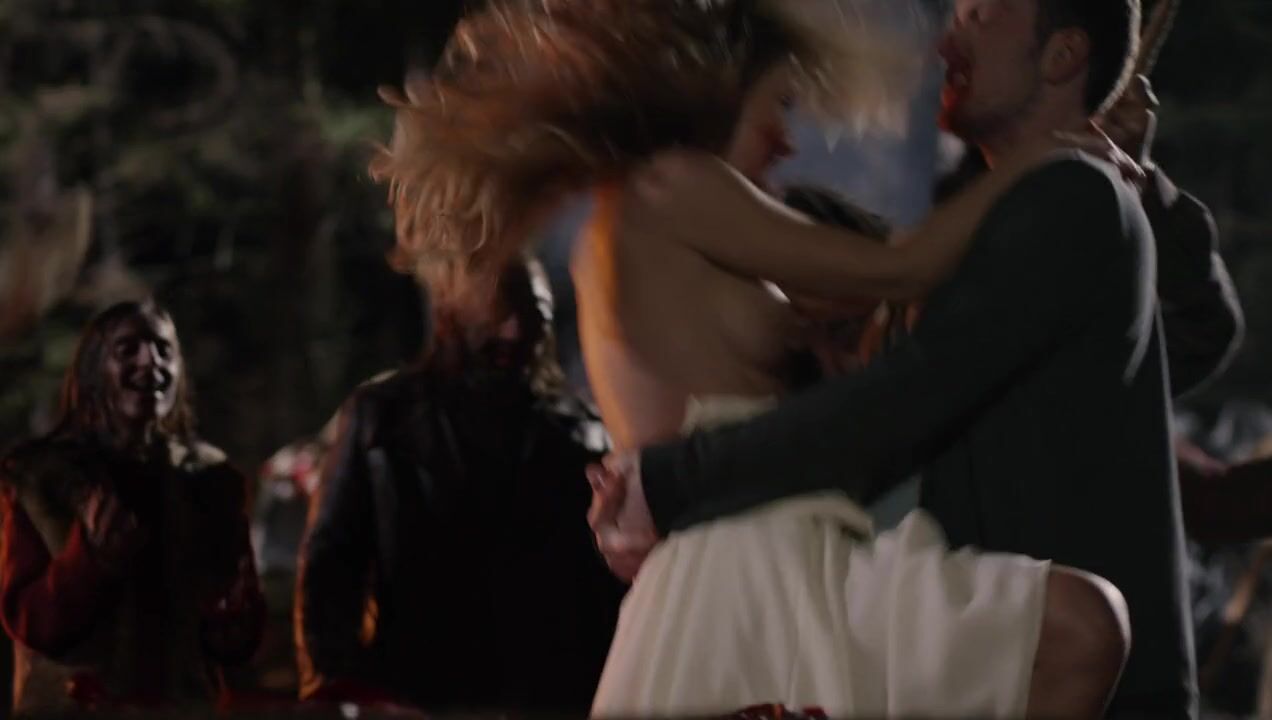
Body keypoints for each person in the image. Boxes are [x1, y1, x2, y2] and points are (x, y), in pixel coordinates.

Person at [370, 0, 1140, 716]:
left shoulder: (654, 222)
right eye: (780, 106)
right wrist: (1040, 158)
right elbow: (900, 268)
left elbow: (873, 310)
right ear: (725, 96)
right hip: (754, 558)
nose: (786, 139)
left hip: (746, 554)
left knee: (1071, 627)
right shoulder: (676, 185)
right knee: (1079, 626)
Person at [587, 0, 1212, 716]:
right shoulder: (998, 222)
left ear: (1061, 55)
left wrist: (672, 480)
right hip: (958, 648)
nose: (949, 38)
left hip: (1028, 664)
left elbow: (901, 395)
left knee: (1082, 621)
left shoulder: (1072, 198)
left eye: (981, 13)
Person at [293, 256, 623, 713]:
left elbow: (605, 585)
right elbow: (331, 567)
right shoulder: (383, 417)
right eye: (498, 315)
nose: (514, 332)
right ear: (455, 317)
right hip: (420, 691)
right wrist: (341, 688)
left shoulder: (584, 432)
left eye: (532, 316)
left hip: (548, 695)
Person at [0, 299, 264, 715]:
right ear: (93, 370)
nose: (150, 362)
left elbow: (234, 638)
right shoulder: (39, 479)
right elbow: (31, 623)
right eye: (128, 350)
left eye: (164, 350)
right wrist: (91, 562)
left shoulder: (211, 481)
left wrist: (231, 617)